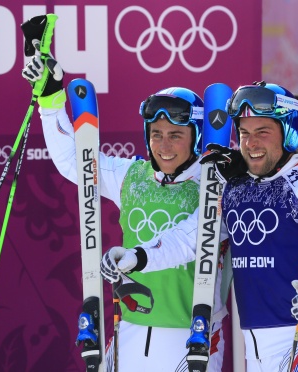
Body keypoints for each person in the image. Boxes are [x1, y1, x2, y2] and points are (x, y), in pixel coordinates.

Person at [103, 81, 298, 371]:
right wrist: (137, 257)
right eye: (245, 133)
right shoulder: (235, 187)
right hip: (256, 340)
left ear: (288, 132)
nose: (251, 143)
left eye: (263, 132)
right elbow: (193, 237)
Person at [21, 42, 229, 371]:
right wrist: (50, 97)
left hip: (189, 334)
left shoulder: (215, 184)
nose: (164, 145)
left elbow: (189, 241)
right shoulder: (132, 175)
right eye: (156, 134)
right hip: (129, 328)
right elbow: (72, 161)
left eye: (175, 135)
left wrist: (138, 257)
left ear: (197, 136)